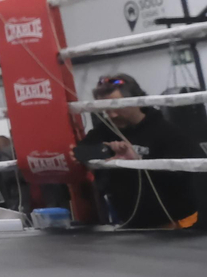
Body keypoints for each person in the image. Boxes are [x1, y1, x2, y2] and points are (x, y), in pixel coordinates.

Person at [74, 73, 199, 229]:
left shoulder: (166, 132)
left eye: (116, 107)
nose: (112, 115)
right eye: (105, 109)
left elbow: (184, 179)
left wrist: (139, 162)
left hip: (175, 223)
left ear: (136, 101)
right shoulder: (106, 130)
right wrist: (108, 151)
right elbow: (79, 153)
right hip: (133, 224)